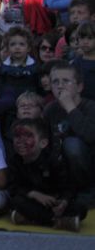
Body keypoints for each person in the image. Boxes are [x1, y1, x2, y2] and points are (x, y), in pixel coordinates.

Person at [6, 117, 85, 231]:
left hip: (52, 202)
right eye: (17, 136)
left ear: (43, 143)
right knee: (16, 201)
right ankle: (57, 222)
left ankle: (29, 219)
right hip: (32, 201)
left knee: (81, 208)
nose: (21, 141)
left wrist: (63, 201)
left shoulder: (54, 161)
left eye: (28, 136)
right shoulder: (14, 161)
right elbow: (12, 187)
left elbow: (69, 186)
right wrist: (33, 194)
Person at [42, 62, 94, 190]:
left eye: (66, 81)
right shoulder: (50, 109)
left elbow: (90, 136)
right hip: (61, 169)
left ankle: (86, 192)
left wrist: (70, 107)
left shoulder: (91, 107)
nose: (60, 86)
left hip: (89, 168)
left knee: (72, 144)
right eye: (55, 82)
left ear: (79, 87)